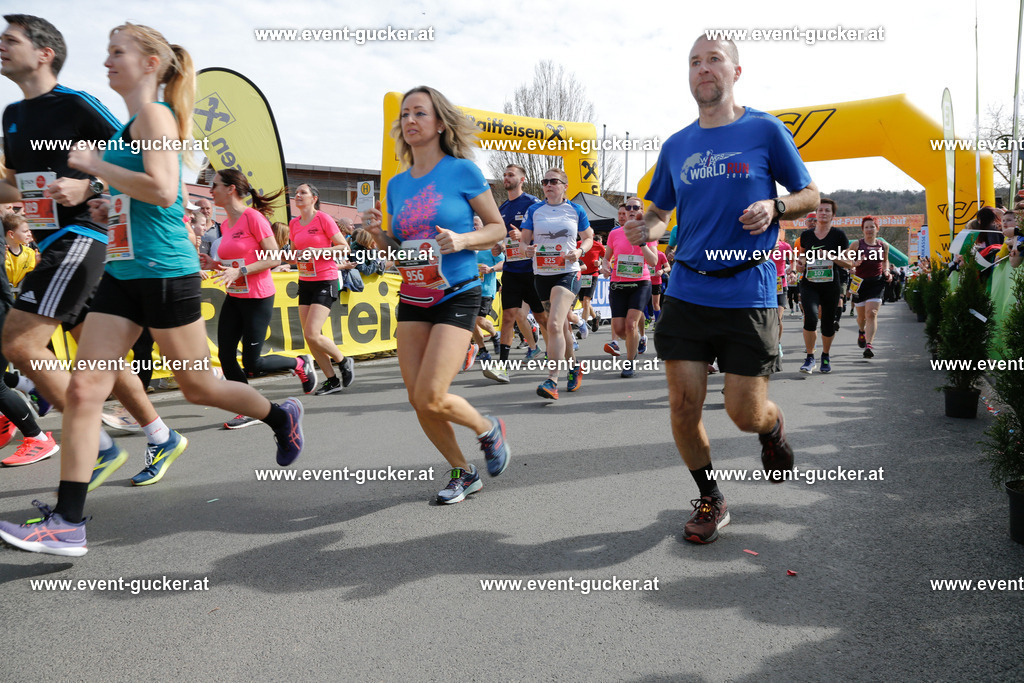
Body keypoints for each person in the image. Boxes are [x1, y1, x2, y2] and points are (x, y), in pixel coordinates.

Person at [0, 22, 304, 557]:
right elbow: (135, 196)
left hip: (165, 273)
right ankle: (69, 522)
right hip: (121, 273)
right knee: (83, 390)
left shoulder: (156, 117)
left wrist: (95, 167)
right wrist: (103, 201)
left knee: (199, 389)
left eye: (117, 52)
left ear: (149, 64)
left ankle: (280, 416)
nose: (107, 61)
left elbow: (165, 190)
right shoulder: (126, 129)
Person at [634, 36, 818, 544]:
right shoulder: (676, 145)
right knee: (682, 406)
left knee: (743, 413)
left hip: (748, 293)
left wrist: (777, 208)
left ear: (736, 71)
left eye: (714, 59)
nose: (703, 68)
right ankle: (711, 498)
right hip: (689, 289)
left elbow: (810, 193)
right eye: (694, 61)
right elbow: (657, 215)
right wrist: (643, 230)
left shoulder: (764, 130)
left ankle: (772, 425)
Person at [0, 14, 184, 492]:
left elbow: (128, 155)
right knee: (97, 352)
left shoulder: (78, 104)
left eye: (10, 39)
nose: (0, 45)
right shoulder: (12, 117)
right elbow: (16, 187)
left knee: (19, 342)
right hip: (50, 242)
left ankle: (97, 443)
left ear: (44, 53)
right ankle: (160, 434)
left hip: (84, 236)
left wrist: (89, 184)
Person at [361, 85, 510, 504]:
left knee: (431, 392)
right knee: (418, 399)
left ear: (440, 123)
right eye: (405, 114)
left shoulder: (462, 171)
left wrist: (463, 241)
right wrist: (380, 236)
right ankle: (463, 472)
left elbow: (497, 228)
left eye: (419, 113)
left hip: (457, 292)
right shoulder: (396, 184)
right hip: (413, 295)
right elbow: (399, 250)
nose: (410, 120)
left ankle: (487, 428)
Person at [201, 169, 317, 428]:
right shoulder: (227, 224)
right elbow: (236, 260)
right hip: (235, 296)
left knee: (252, 362)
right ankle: (250, 408)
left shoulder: (252, 218)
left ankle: (299, 362)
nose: (211, 190)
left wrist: (240, 271)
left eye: (215, 185)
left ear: (230, 189)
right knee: (227, 356)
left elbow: (274, 258)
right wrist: (214, 263)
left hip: (258, 297)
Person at [522, 167, 593, 398]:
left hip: (568, 272)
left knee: (552, 325)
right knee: (561, 326)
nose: (548, 185)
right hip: (542, 274)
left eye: (554, 181)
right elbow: (523, 243)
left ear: (565, 186)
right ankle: (574, 366)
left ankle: (552, 379)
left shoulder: (576, 209)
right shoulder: (534, 210)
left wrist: (580, 250)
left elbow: (589, 237)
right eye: (545, 182)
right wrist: (527, 249)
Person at [289, 183, 355, 395]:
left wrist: (316, 251)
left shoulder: (323, 219)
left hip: (325, 280)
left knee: (312, 332)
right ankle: (331, 380)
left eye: (303, 192)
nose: (297, 195)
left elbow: (344, 248)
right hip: (305, 281)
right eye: (296, 193)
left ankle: (344, 360)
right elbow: (293, 253)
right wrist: (290, 259)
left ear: (314, 198)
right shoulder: (294, 224)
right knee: (309, 337)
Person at [490, 164, 545, 384]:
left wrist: (522, 235)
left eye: (510, 175)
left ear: (522, 179)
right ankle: (502, 367)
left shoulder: (532, 203)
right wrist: (499, 247)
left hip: (532, 271)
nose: (506, 178)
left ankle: (557, 361)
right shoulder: (502, 207)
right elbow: (504, 240)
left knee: (542, 318)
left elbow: (545, 233)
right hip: (511, 270)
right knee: (508, 319)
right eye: (504, 174)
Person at [796, 198, 852, 374]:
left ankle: (825, 355)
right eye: (820, 210)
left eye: (827, 210)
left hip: (830, 285)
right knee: (811, 317)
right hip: (809, 283)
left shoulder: (839, 236)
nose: (823, 213)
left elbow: (849, 263)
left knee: (827, 323)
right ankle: (810, 357)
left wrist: (830, 256)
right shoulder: (806, 236)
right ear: (816, 213)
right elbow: (801, 258)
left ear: (833, 215)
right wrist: (800, 264)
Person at [602, 200, 657, 378]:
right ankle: (634, 340)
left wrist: (642, 244)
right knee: (619, 329)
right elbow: (606, 258)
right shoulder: (615, 233)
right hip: (618, 283)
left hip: (641, 283)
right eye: (629, 208)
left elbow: (654, 262)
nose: (631, 210)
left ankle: (630, 361)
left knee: (631, 324)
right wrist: (605, 266)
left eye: (636, 208)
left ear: (642, 211)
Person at [851, 216, 890, 359]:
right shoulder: (856, 245)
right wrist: (855, 263)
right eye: (866, 227)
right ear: (862, 229)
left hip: (876, 282)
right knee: (861, 317)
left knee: (872, 313)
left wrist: (886, 271)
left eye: (872, 227)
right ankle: (862, 331)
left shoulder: (883, 245)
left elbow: (885, 261)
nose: (869, 230)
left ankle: (869, 345)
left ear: (877, 229)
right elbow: (847, 259)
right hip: (859, 283)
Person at [579, 232, 605, 333]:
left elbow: (607, 258)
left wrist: (600, 262)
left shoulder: (598, 245)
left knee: (586, 301)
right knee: (583, 303)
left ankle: (583, 328)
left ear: (592, 235)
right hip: (581, 274)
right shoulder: (578, 244)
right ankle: (595, 317)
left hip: (592, 274)